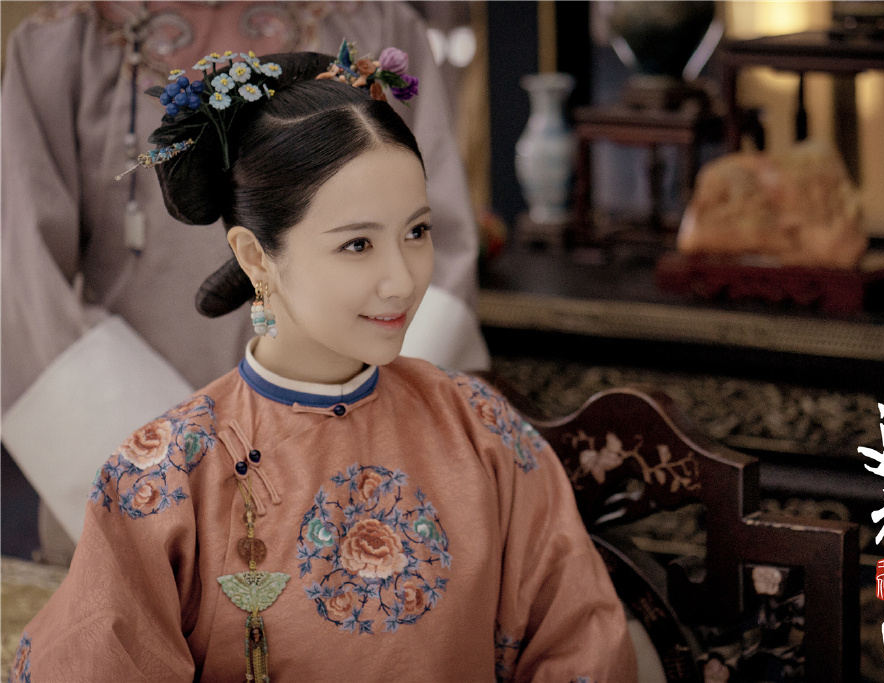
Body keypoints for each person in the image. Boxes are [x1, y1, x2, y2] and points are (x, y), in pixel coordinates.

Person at [8, 49, 637, 682]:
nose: (402, 280)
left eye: (417, 232)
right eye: (357, 244)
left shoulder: (481, 428)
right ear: (256, 257)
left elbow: (580, 642)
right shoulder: (166, 477)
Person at [1, 1, 488, 564]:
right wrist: (176, 477)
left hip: (350, 476)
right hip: (138, 454)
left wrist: (351, 444)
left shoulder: (372, 22)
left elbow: (437, 236)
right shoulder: (66, 42)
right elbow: (23, 287)